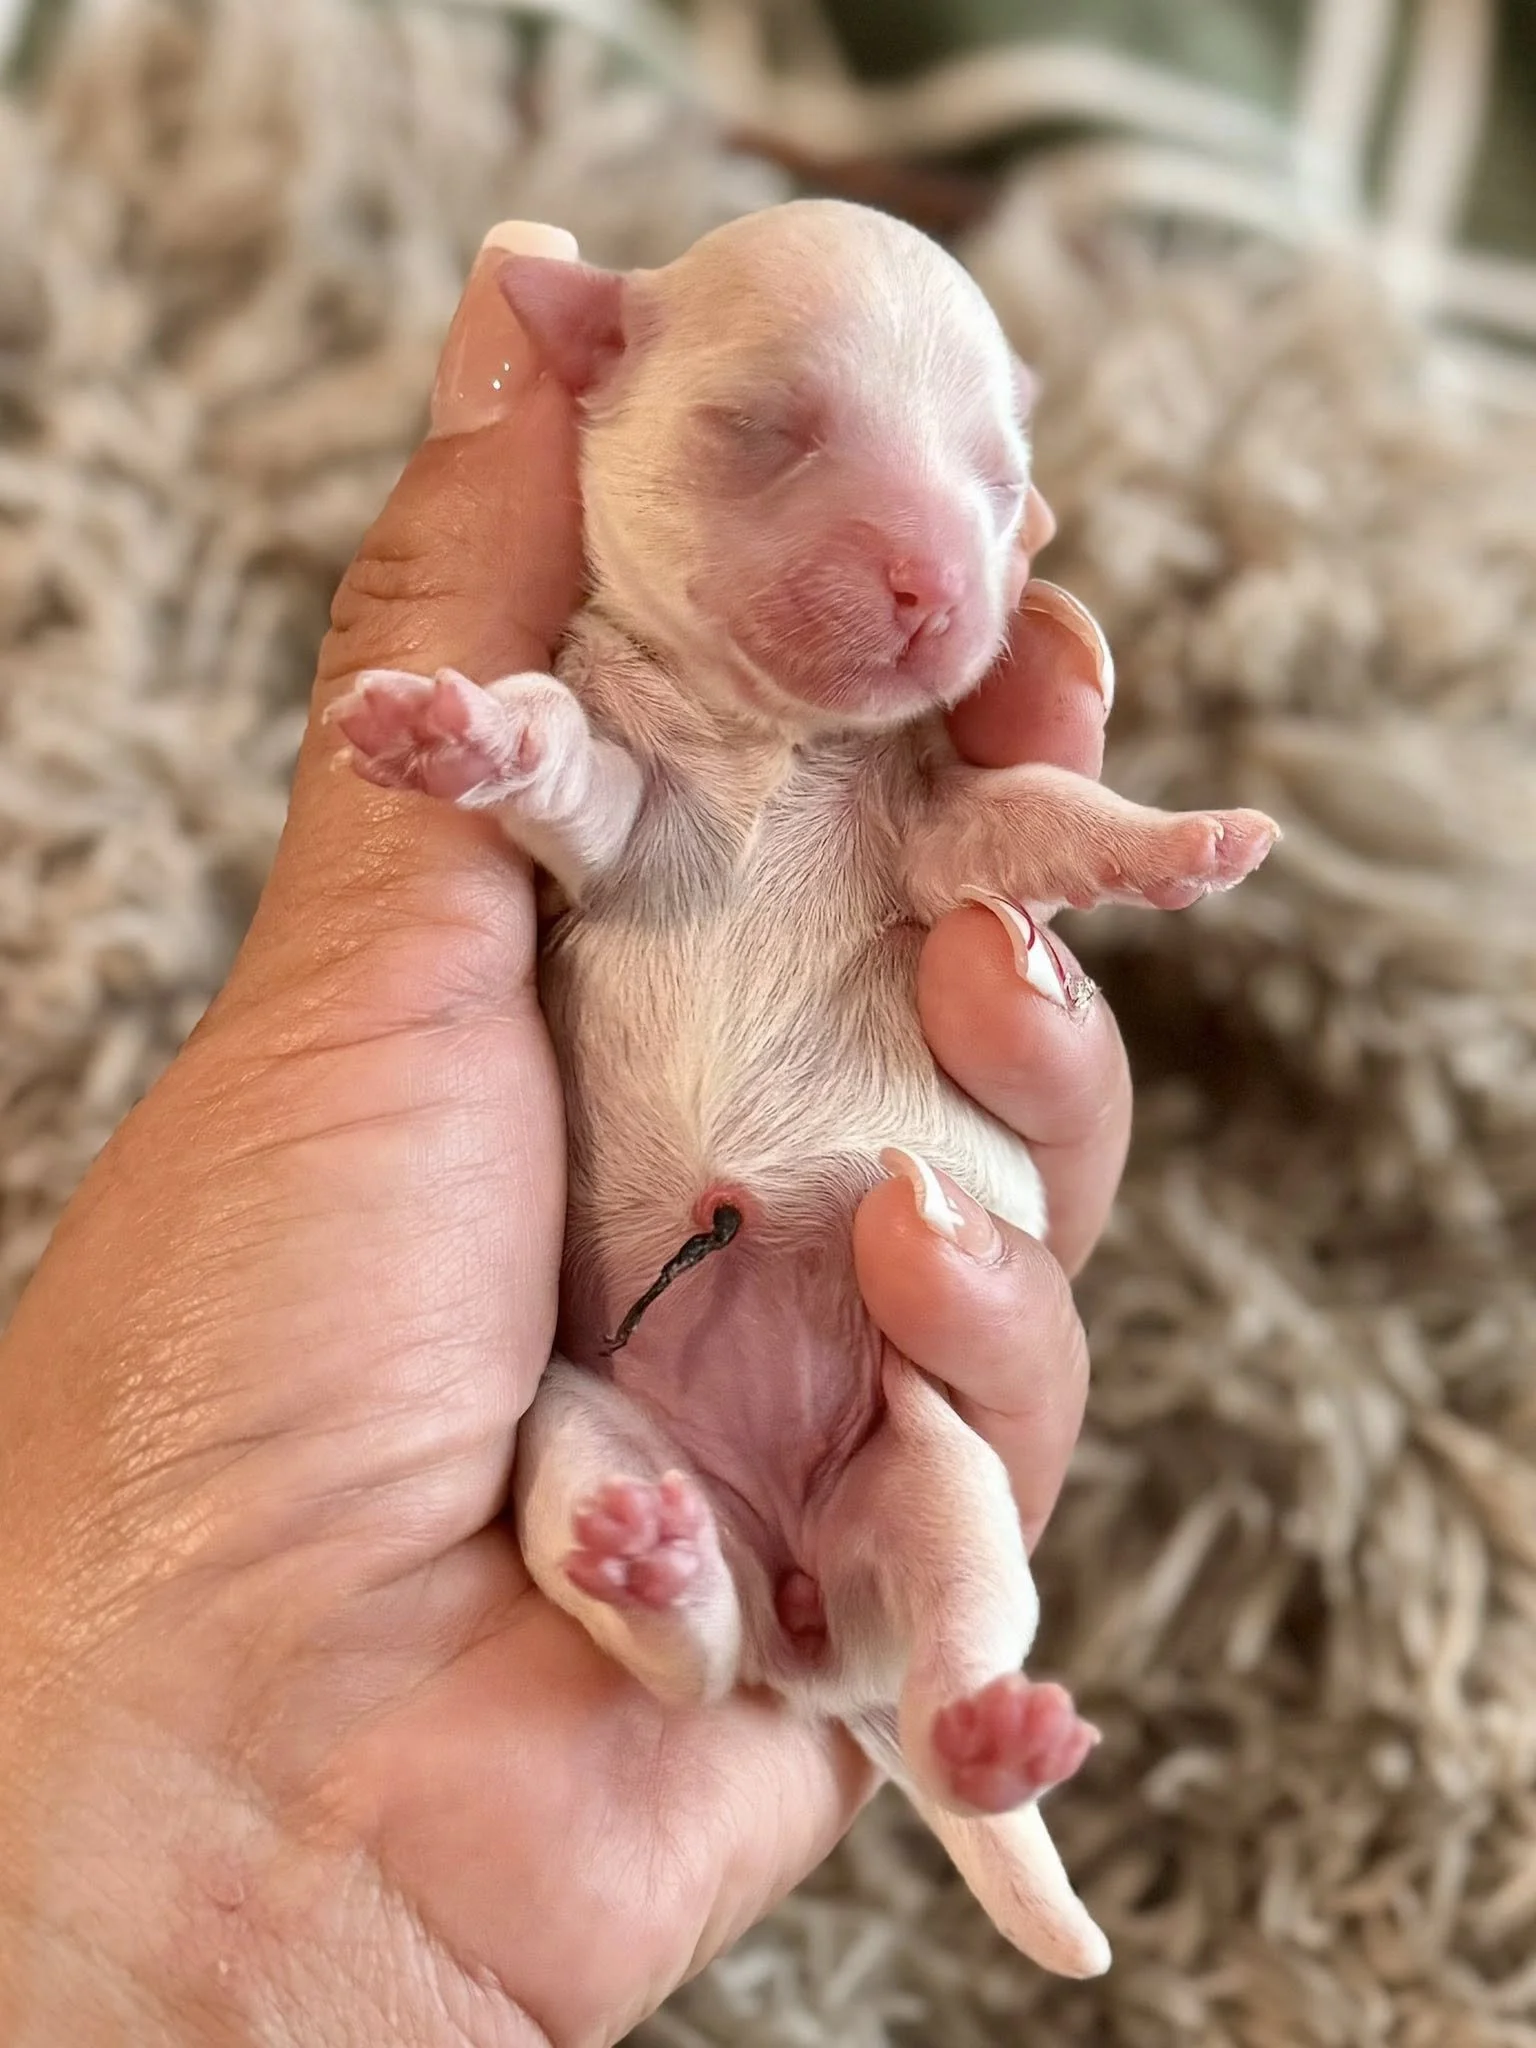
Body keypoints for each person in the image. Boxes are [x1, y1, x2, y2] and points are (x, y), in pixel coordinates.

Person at [0, 223, 1130, 2046]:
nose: (929, 570)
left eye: (991, 490)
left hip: (842, 1400)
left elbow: (980, 838)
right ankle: (682, 1619)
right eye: (768, 436)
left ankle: (965, 1709)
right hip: (628, 1403)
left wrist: (1124, 846)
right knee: (584, 1460)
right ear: (590, 361)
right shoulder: (604, 672)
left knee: (948, 1491)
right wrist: (503, 746)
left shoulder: (919, 773)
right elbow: (595, 799)